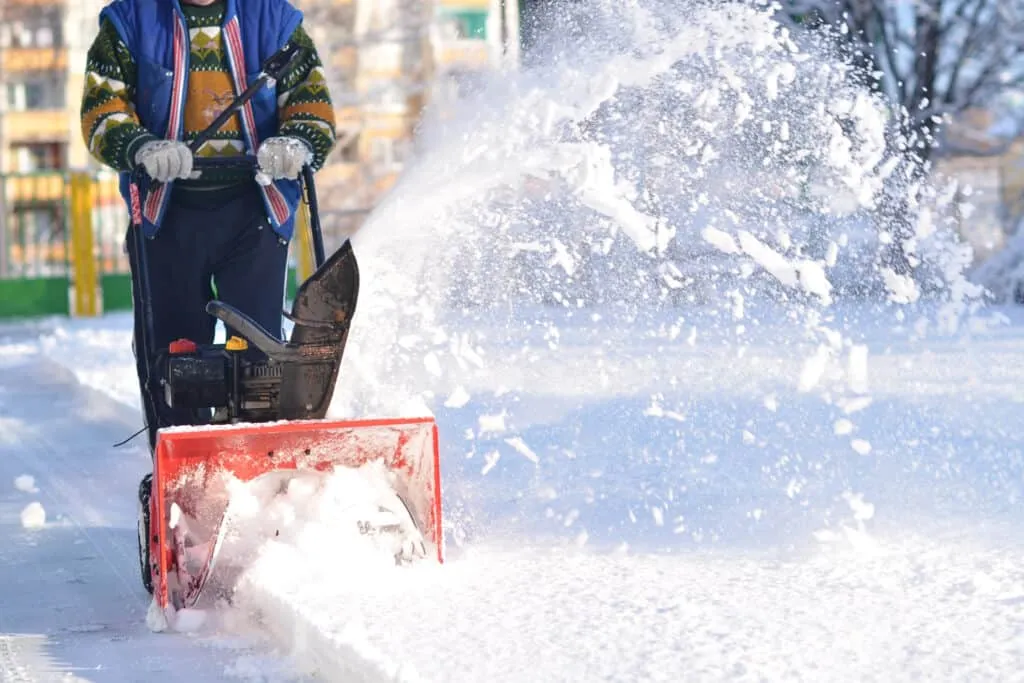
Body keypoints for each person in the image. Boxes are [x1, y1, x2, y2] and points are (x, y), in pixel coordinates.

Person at [79, 0, 337, 454]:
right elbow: (102, 111)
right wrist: (141, 146)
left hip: (254, 210)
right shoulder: (129, 20)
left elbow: (311, 104)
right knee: (172, 362)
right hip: (167, 216)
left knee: (261, 362)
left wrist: (296, 141)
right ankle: (180, 464)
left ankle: (264, 463)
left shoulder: (275, 19)